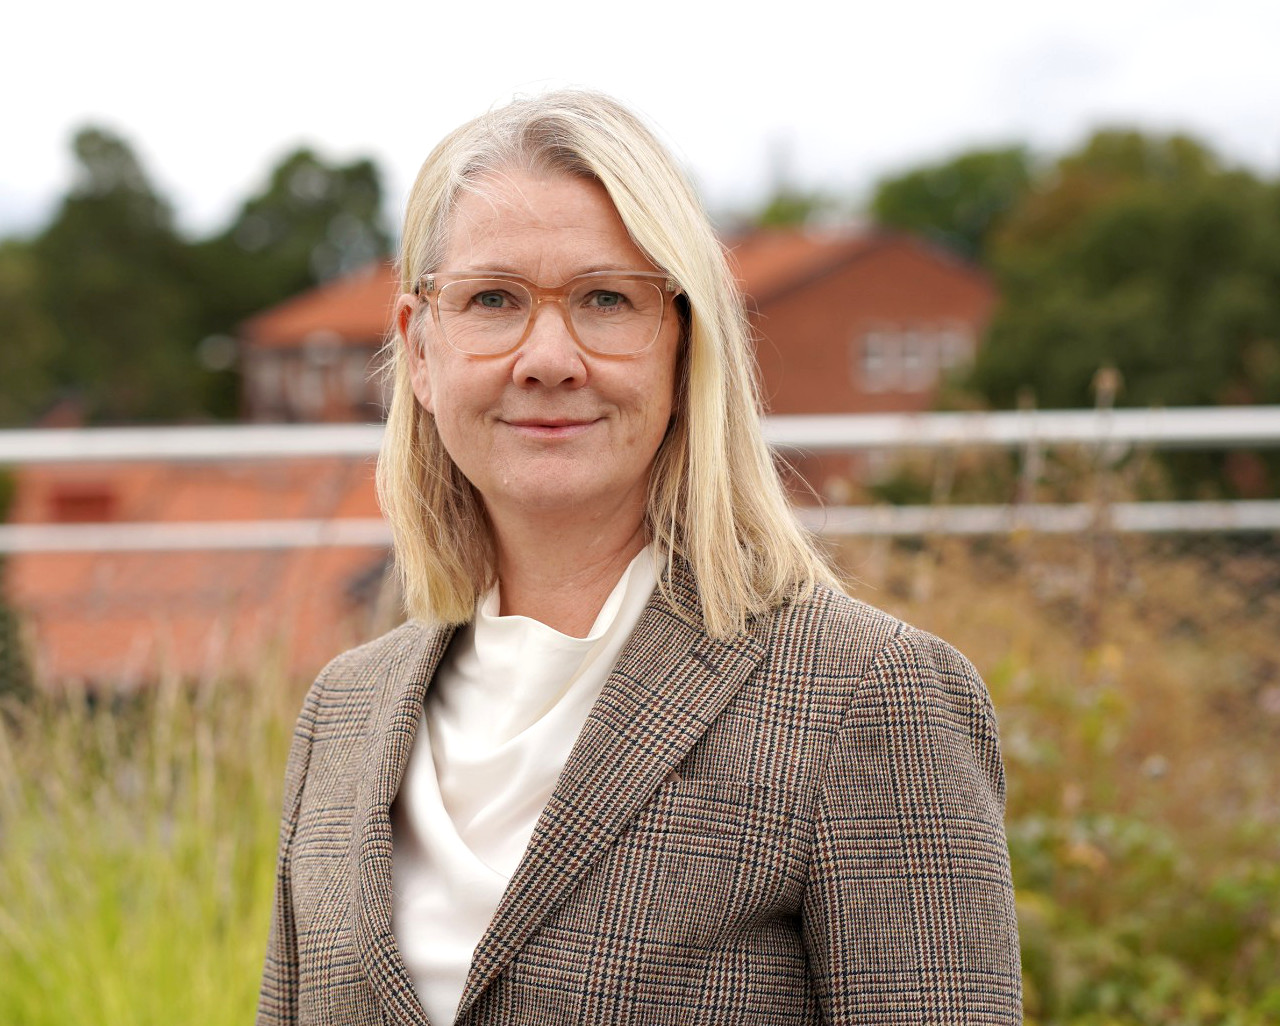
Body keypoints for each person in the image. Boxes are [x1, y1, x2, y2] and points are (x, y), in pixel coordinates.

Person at [257, 91, 1021, 1026]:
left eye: (606, 300)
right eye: (493, 300)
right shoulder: (342, 715)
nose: (547, 358)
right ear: (421, 350)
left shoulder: (868, 696)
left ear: (683, 345)